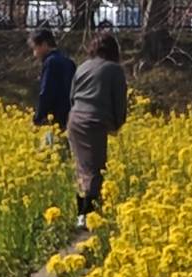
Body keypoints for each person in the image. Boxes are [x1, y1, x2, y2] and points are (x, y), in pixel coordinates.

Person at [67, 30, 129, 226]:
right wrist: (117, 124)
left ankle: (82, 213)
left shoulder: (82, 67)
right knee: (95, 169)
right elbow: (119, 101)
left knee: (82, 167)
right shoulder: (114, 69)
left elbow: (72, 96)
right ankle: (88, 216)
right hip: (94, 122)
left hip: (75, 119)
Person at [30, 28, 76, 133]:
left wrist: (38, 118)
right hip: (70, 118)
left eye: (35, 48)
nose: (34, 54)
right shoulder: (69, 62)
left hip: (53, 120)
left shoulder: (50, 63)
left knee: (52, 147)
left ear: (44, 44)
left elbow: (46, 92)